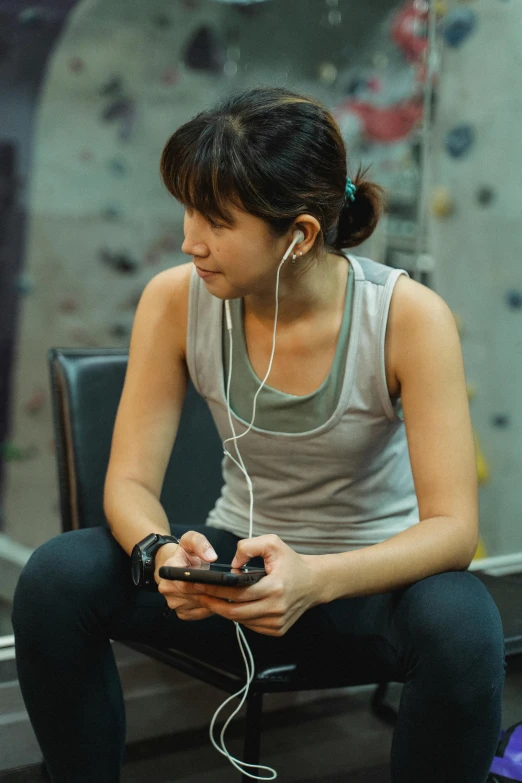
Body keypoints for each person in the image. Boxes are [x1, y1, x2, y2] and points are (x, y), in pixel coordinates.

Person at [12, 86, 505, 783]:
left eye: (214, 219)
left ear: (299, 235)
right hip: (235, 569)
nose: (189, 240)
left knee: (464, 624)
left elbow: (454, 528)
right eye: (187, 209)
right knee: (60, 575)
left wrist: (316, 578)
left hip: (362, 588)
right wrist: (159, 554)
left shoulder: (406, 318)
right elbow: (127, 482)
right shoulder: (174, 298)